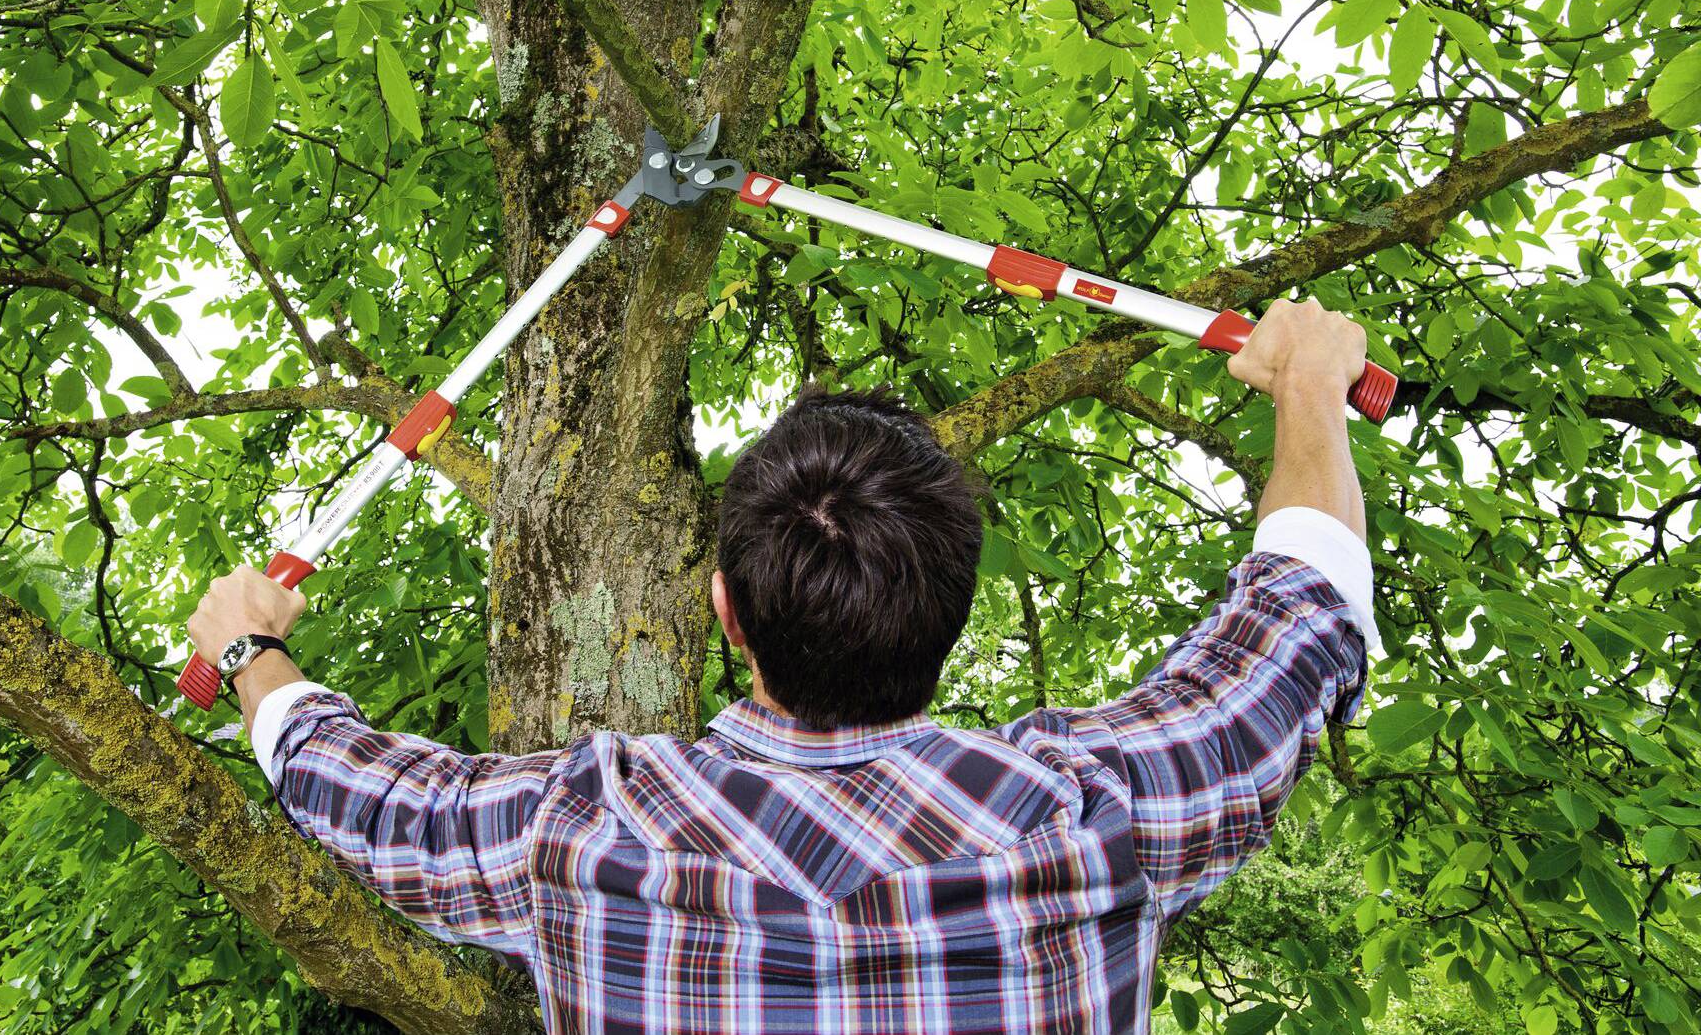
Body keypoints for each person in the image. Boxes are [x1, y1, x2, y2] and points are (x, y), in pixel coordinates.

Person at [189, 299, 1377, 1034]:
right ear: (950, 608)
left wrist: (253, 655)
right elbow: (1296, 611)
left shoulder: (576, 830)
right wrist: (1308, 390)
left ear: (724, 612)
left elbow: (366, 793)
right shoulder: (1099, 812)